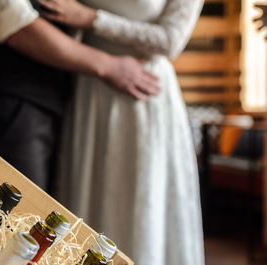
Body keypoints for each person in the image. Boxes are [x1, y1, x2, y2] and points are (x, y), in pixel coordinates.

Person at [40, 0, 205, 264]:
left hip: (143, 93)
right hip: (89, 90)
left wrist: (92, 19)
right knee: (90, 204)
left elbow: (171, 40)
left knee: (142, 211)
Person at [0, 0, 159, 192]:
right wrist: (109, 66)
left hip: (71, 105)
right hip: (11, 106)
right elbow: (17, 25)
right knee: (19, 212)